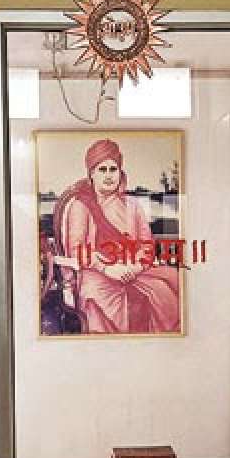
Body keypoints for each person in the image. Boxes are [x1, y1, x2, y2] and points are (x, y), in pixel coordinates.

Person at [58, 138, 182, 334]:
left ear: (120, 172)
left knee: (171, 283)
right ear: (92, 174)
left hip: (133, 271)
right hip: (98, 275)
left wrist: (135, 267)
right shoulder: (81, 206)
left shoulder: (133, 205)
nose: (108, 175)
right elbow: (77, 249)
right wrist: (108, 268)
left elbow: (147, 245)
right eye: (102, 169)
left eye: (113, 169)